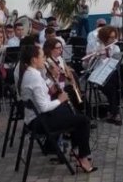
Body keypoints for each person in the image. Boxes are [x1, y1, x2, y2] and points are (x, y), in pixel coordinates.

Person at [18, 43, 96, 173]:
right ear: (34, 60)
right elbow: (43, 107)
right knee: (83, 120)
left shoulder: (31, 73)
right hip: (39, 122)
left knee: (73, 112)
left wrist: (57, 92)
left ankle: (76, 150)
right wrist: (60, 100)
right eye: (42, 57)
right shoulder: (34, 77)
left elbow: (43, 95)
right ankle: (82, 157)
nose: (44, 59)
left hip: (37, 118)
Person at [92, 26, 123, 126]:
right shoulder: (95, 47)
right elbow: (87, 66)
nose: (113, 40)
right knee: (114, 86)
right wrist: (95, 57)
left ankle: (112, 112)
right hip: (98, 76)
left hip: (111, 75)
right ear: (104, 38)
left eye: (114, 37)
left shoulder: (116, 48)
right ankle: (115, 113)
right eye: (111, 38)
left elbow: (116, 64)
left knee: (114, 84)